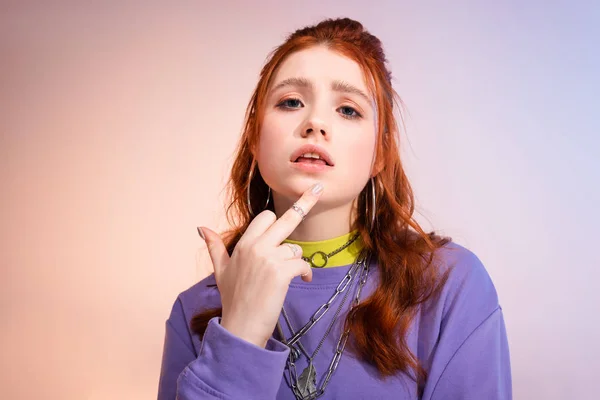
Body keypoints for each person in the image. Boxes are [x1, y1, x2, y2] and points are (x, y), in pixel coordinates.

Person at [157, 17, 512, 400]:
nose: (315, 123)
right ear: (255, 141)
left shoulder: (449, 287)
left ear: (379, 153)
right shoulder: (195, 310)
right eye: (291, 102)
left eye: (348, 110)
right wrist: (239, 336)